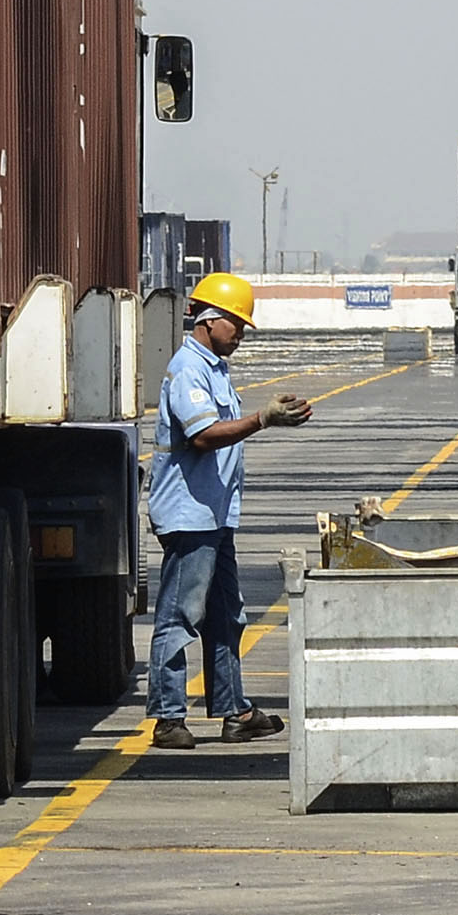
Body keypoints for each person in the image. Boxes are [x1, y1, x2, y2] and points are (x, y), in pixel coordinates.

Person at [146, 271, 314, 749]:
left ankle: (234, 710)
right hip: (190, 517)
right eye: (237, 324)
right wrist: (263, 419)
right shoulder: (189, 370)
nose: (240, 333)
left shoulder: (214, 368)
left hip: (215, 516)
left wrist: (264, 417)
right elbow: (202, 435)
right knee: (180, 615)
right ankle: (168, 717)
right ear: (210, 320)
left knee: (225, 616)